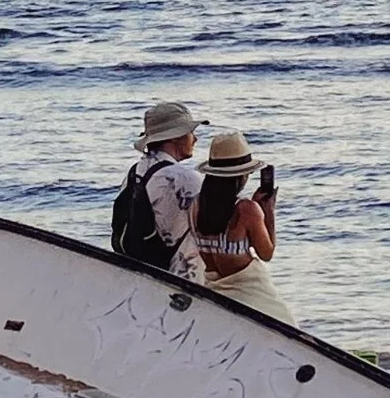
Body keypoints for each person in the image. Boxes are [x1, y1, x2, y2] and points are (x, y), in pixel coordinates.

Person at [191, 129, 295, 322]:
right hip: (252, 294)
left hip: (216, 291)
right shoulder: (246, 209)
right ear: (242, 175)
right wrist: (268, 211)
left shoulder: (196, 206)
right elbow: (267, 253)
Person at [112, 99, 204, 278]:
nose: (196, 138)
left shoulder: (135, 172)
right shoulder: (186, 179)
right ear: (175, 137)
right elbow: (210, 228)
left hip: (144, 274)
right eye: (191, 132)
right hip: (182, 275)